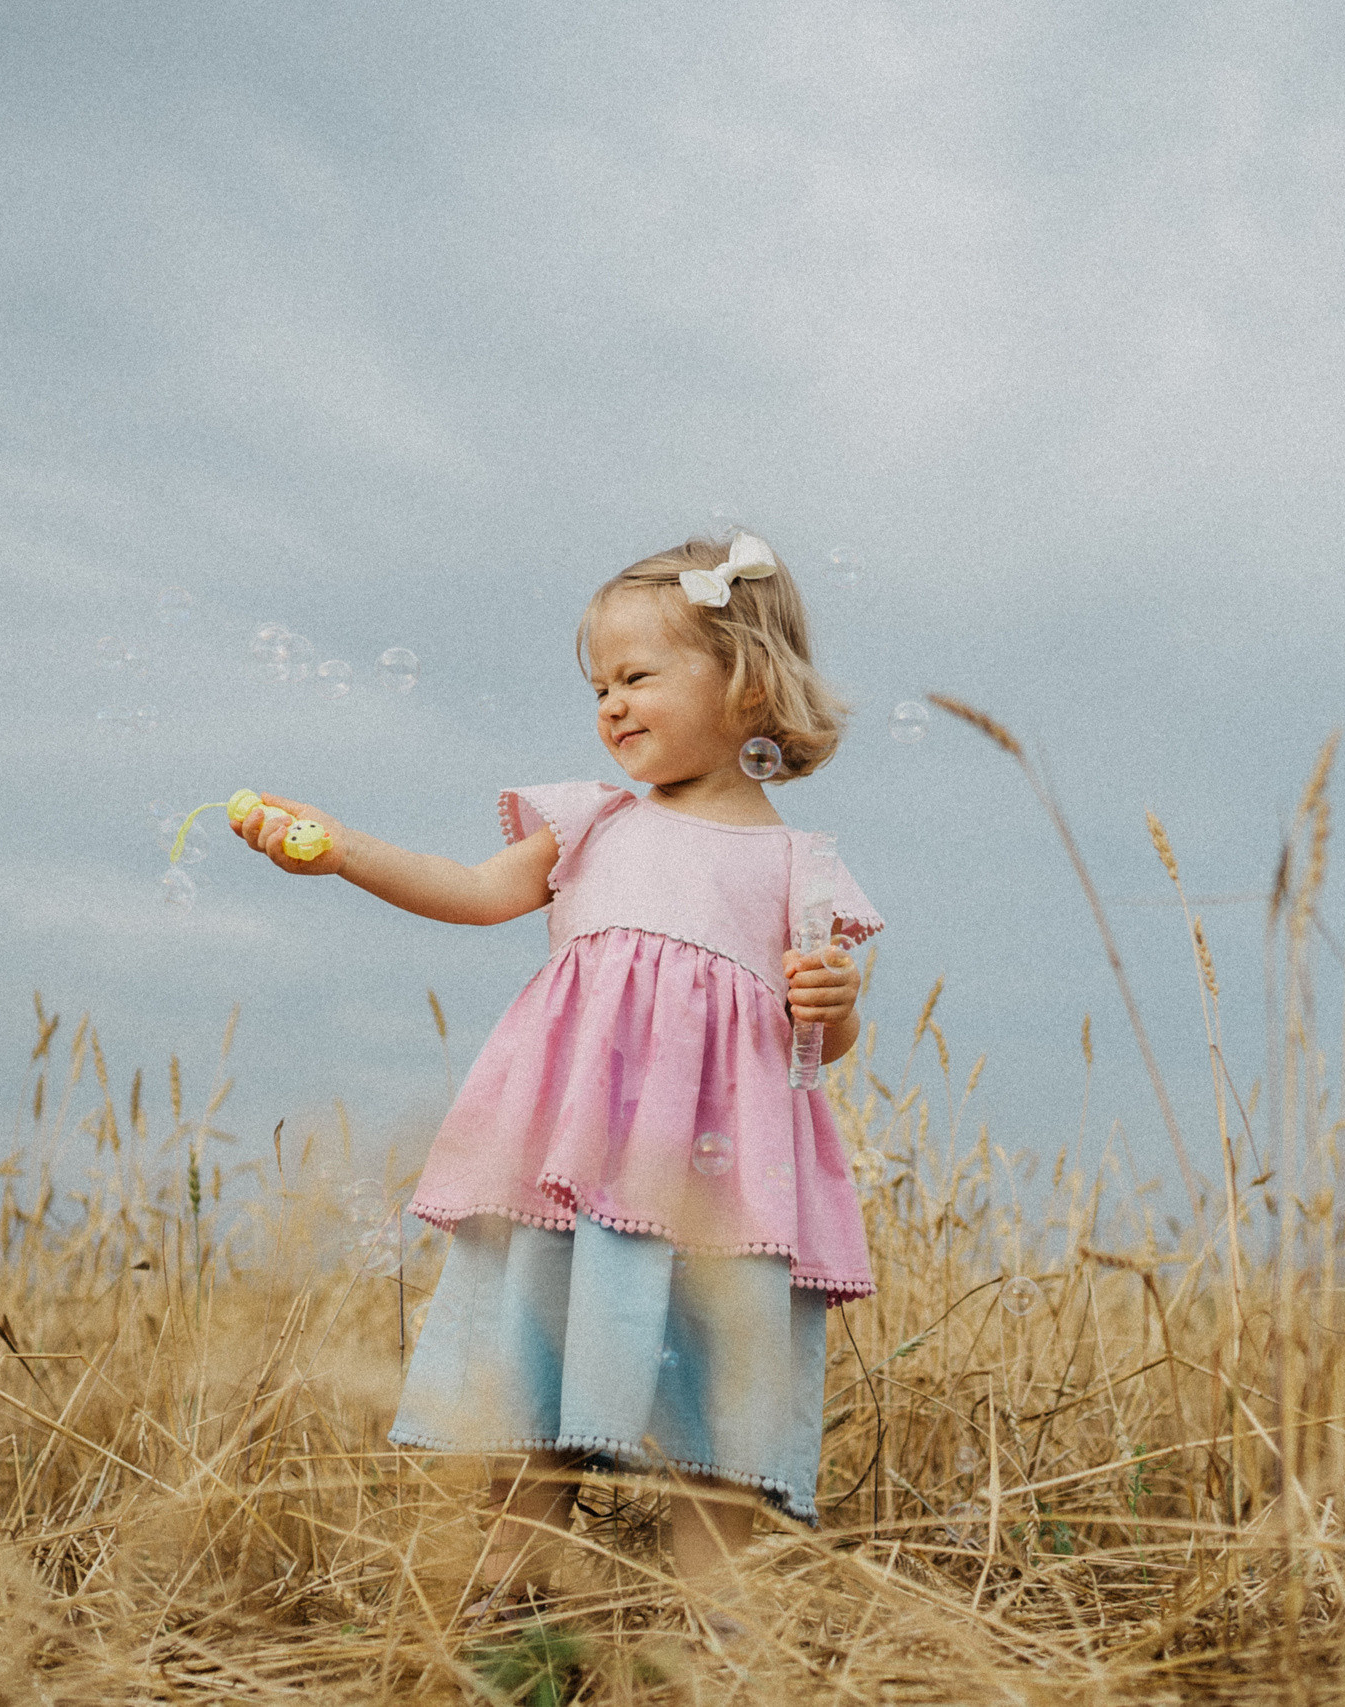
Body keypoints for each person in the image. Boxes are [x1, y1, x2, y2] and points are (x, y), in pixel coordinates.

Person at [233, 530, 880, 1629]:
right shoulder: (594, 820)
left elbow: (812, 1047)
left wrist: (837, 1007)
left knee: (715, 1411)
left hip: (715, 1194)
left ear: (748, 681)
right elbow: (472, 890)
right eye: (598, 685)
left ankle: (718, 1637)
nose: (610, 706)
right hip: (574, 1168)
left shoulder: (797, 867)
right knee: (529, 1389)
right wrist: (342, 850)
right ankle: (495, 1614)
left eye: (637, 676)